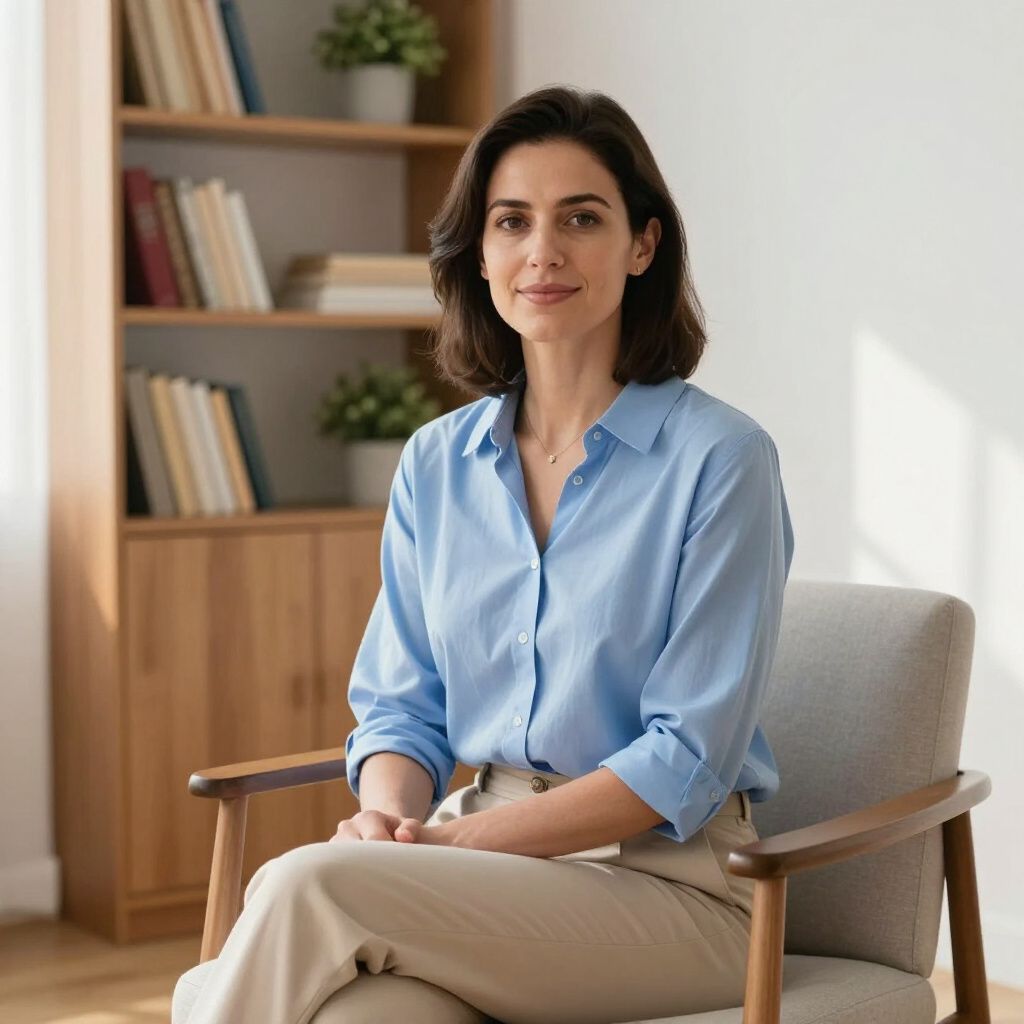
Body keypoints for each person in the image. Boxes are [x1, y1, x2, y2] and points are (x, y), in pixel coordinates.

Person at [173, 84, 795, 1024]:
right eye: (512, 222)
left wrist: (453, 852)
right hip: (479, 862)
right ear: (482, 252)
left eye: (580, 218)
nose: (541, 251)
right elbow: (402, 703)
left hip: (679, 892)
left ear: (642, 245)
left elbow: (685, 759)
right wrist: (386, 818)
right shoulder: (437, 462)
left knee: (302, 893)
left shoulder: (723, 461)